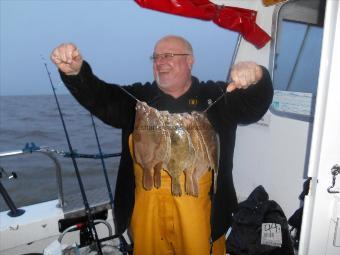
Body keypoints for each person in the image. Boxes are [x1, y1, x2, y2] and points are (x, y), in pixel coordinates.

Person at [51, 35, 273, 255]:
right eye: (155, 57)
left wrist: (258, 78)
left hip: (200, 213)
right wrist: (76, 74)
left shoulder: (218, 96)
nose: (159, 62)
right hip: (147, 209)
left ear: (190, 61)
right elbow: (102, 97)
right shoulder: (138, 97)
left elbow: (253, 106)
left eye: (168, 55)